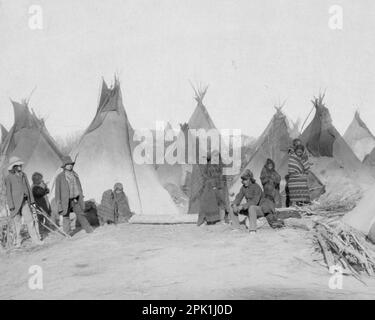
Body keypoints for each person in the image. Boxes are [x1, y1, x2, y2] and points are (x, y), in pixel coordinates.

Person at [5, 156, 43, 247]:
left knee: (30, 221)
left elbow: (29, 188)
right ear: (14, 167)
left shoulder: (23, 175)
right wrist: (11, 205)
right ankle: (17, 242)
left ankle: (36, 240)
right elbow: (8, 193)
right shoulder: (8, 178)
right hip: (15, 204)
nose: (20, 167)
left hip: (25, 202)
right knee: (17, 224)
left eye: (20, 165)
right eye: (18, 165)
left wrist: (32, 200)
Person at [55, 156, 93, 235]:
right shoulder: (60, 177)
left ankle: (89, 229)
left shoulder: (75, 175)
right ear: (64, 166)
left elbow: (79, 187)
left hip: (74, 199)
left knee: (80, 214)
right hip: (65, 200)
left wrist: (80, 196)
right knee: (66, 217)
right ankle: (67, 233)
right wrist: (59, 204)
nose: (70, 166)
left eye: (71, 164)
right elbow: (57, 192)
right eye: (68, 164)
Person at [195, 151, 229, 226]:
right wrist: (211, 185)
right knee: (209, 203)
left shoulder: (221, 165)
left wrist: (220, 185)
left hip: (220, 187)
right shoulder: (208, 166)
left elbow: (223, 177)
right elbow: (205, 176)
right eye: (214, 156)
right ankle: (207, 220)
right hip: (210, 187)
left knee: (222, 203)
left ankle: (223, 219)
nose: (215, 158)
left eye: (217, 156)